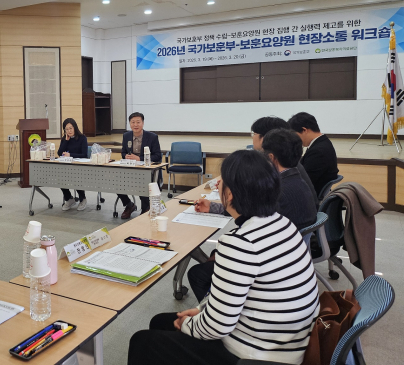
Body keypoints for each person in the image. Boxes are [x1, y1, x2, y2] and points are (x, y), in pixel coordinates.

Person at [129, 150, 319, 365]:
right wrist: (200, 310)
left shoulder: (241, 243)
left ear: (230, 195)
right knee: (161, 322)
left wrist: (187, 324)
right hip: (290, 343)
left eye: (222, 181)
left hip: (256, 355)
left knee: (143, 341)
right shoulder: (282, 223)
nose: (217, 184)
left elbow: (217, 327)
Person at [188, 130, 318, 301]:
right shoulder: (294, 179)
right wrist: (214, 206)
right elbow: (251, 209)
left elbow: (250, 221)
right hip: (288, 267)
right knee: (216, 253)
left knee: (199, 272)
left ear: (271, 158)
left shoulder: (280, 191)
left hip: (269, 268)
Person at [250, 115, 317, 202]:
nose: (252, 137)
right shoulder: (289, 161)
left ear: (264, 138)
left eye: (254, 134)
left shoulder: (281, 168)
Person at [117, 112, 162, 219]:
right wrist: (126, 156)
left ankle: (145, 209)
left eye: (138, 122)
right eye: (133, 122)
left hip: (147, 171)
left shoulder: (152, 137)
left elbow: (157, 156)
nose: (135, 125)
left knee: (143, 182)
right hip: (130, 169)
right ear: (129, 124)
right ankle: (129, 205)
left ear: (143, 123)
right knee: (116, 182)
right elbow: (123, 152)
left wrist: (140, 159)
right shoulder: (126, 136)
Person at [288, 112, 339, 197]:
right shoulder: (323, 142)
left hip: (311, 196)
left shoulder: (318, 151)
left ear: (304, 130)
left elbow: (304, 181)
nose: (294, 139)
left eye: (295, 135)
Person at [58, 118, 89, 211]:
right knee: (59, 177)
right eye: (66, 129)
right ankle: (69, 199)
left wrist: (70, 155)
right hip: (67, 166)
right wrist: (66, 141)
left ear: (75, 127)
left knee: (75, 176)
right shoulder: (65, 139)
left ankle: (82, 199)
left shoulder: (82, 138)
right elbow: (59, 153)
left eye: (70, 128)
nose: (69, 131)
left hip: (80, 166)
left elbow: (84, 155)